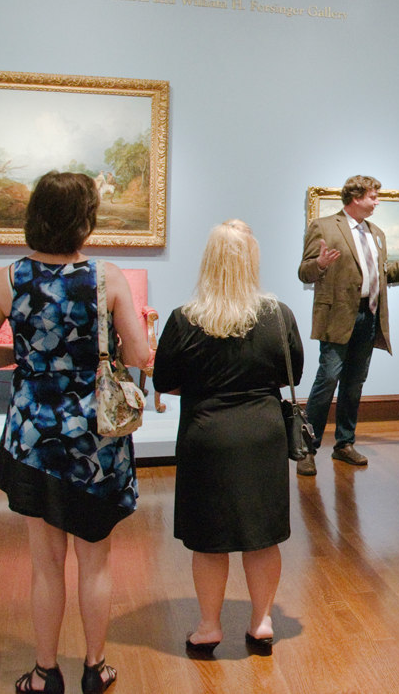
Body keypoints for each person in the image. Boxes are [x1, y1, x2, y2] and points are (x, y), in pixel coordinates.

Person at [0, 171, 149, 694]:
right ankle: (95, 668)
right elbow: (139, 357)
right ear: (85, 222)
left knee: (45, 567)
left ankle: (45, 674)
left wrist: (26, 361)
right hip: (97, 443)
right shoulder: (108, 279)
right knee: (96, 561)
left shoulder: (10, 278)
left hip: (35, 440)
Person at [152, 220, 303, 656]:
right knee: (262, 535)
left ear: (208, 263)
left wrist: (205, 385)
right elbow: (291, 370)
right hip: (262, 433)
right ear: (252, 260)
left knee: (209, 538)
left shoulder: (186, 319)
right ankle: (261, 622)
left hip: (207, 434)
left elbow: (163, 379)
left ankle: (208, 627)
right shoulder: (278, 315)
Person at [297, 175, 399, 475]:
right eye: (373, 197)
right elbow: (304, 273)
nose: (377, 202)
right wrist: (320, 264)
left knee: (354, 384)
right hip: (338, 317)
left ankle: (344, 444)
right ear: (355, 197)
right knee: (328, 379)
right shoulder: (323, 226)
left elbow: (382, 273)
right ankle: (306, 448)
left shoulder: (376, 232)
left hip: (369, 317)